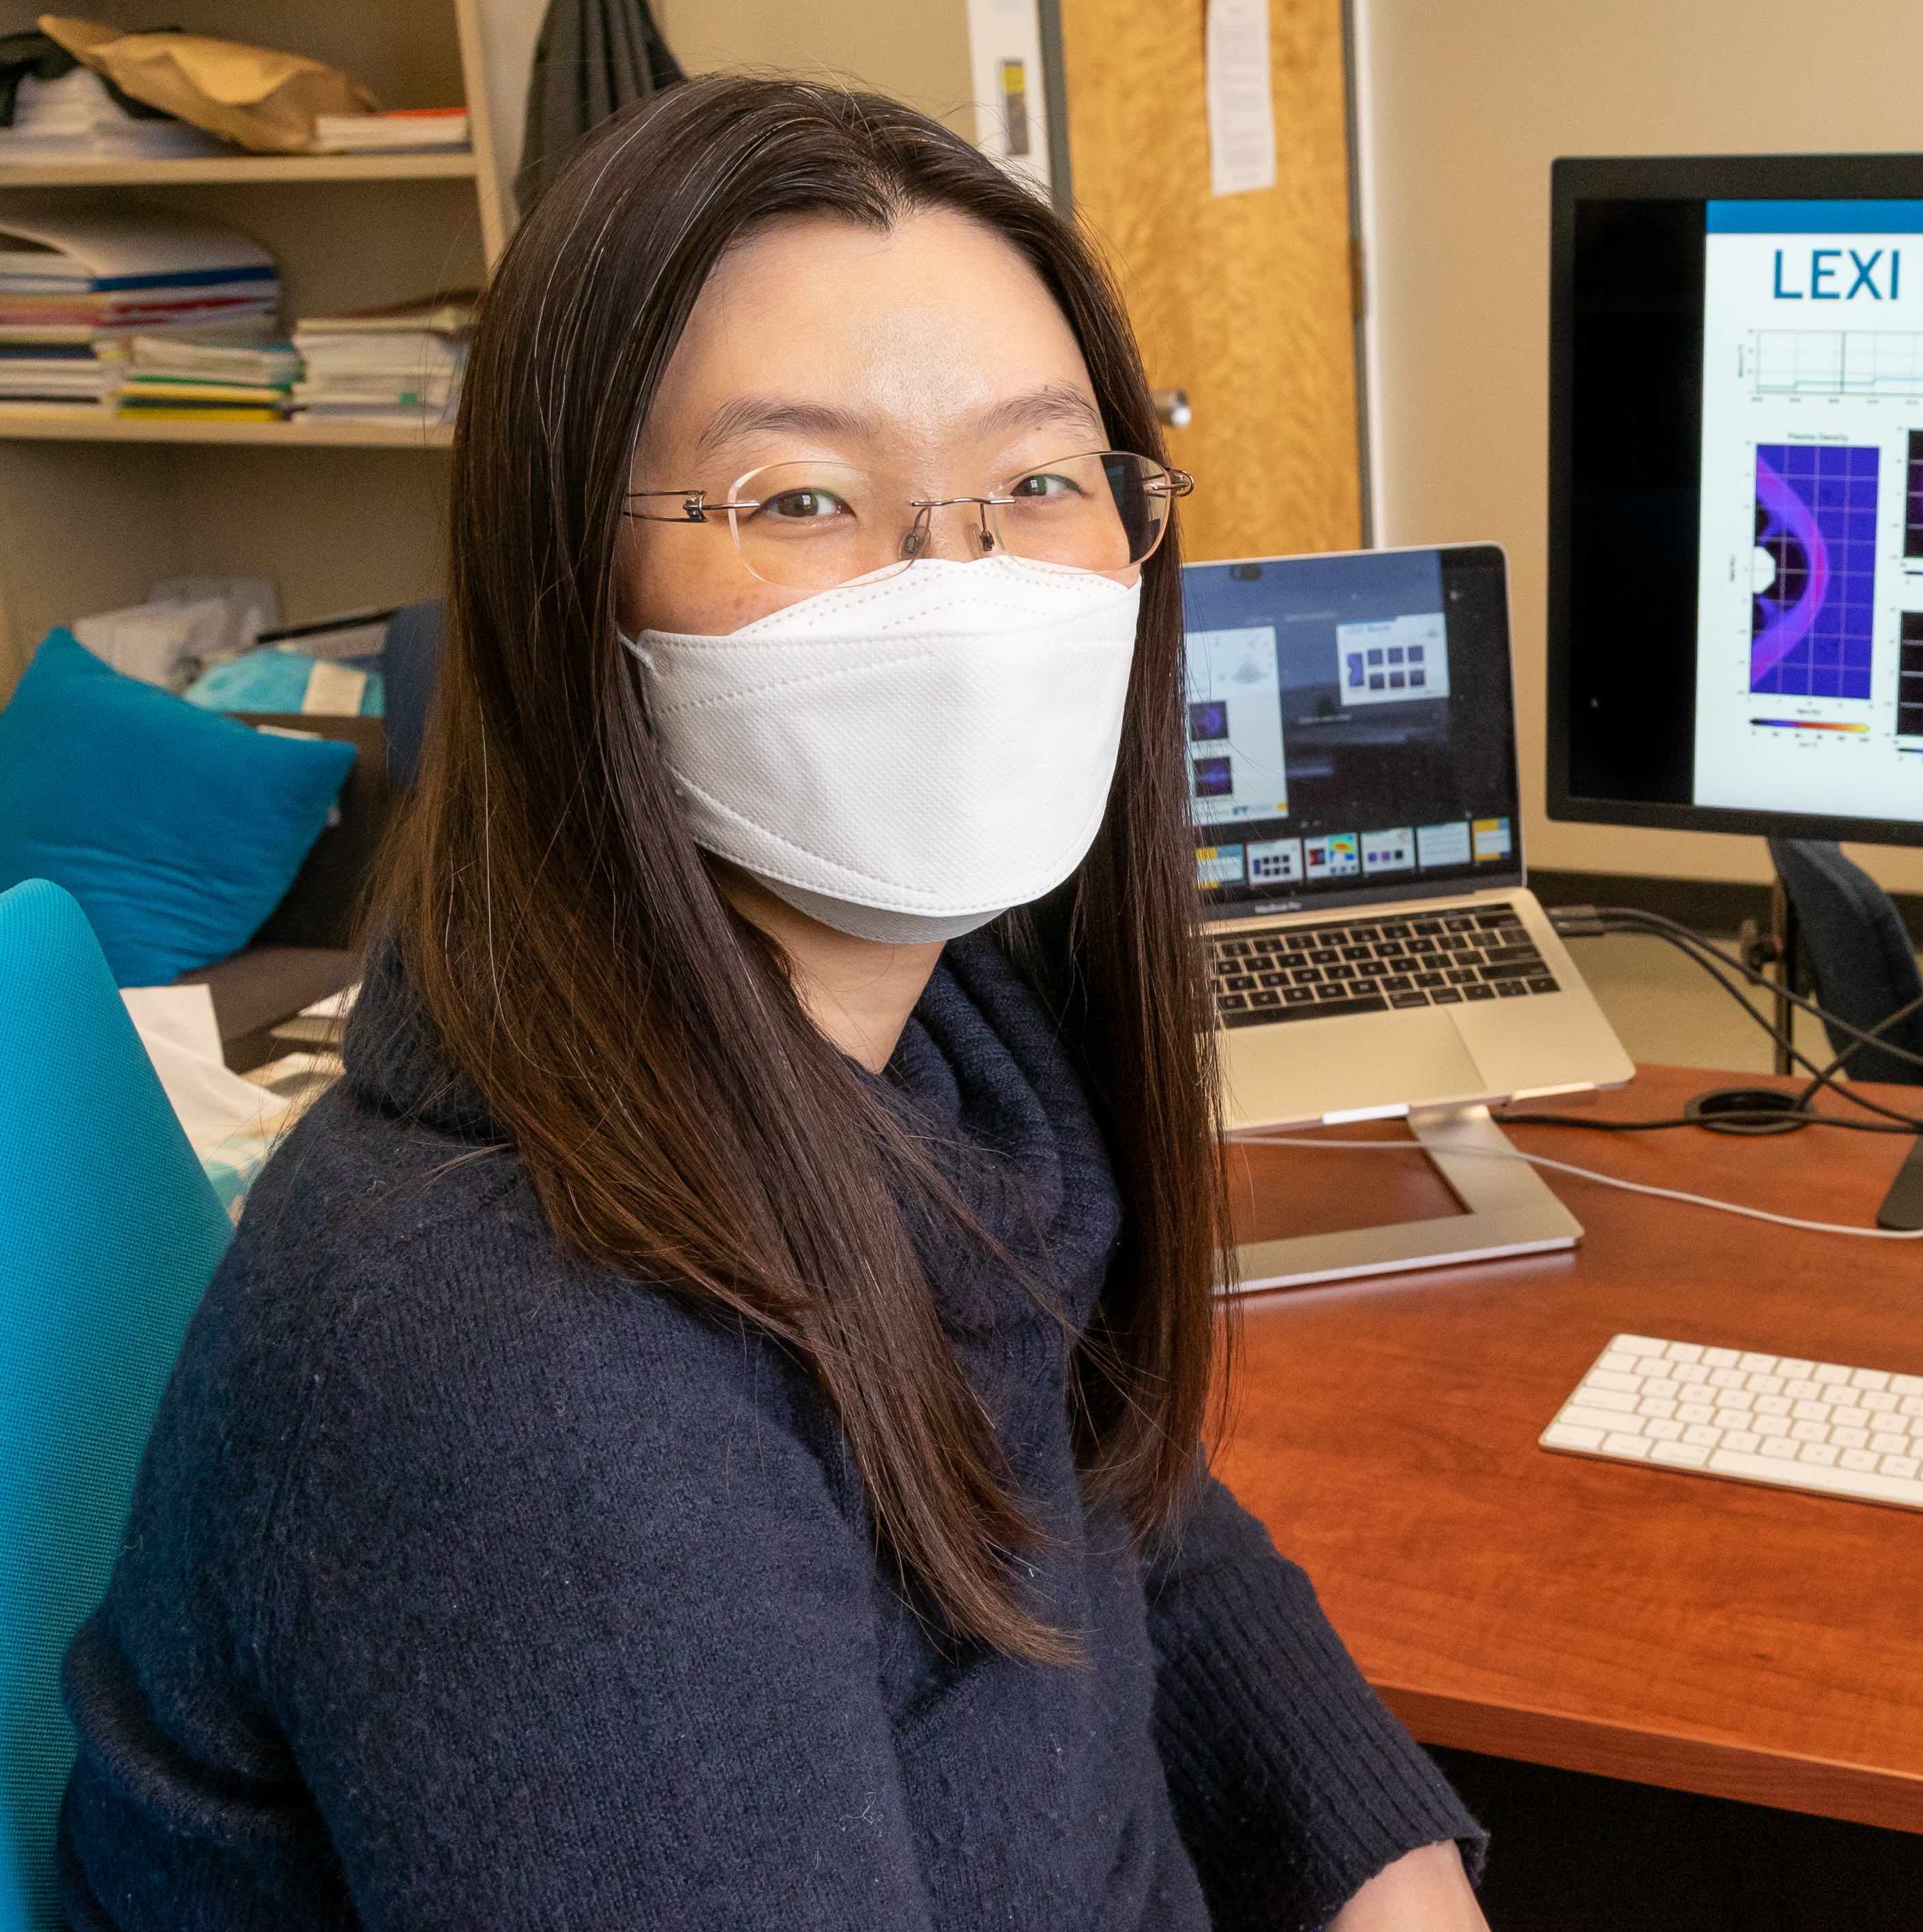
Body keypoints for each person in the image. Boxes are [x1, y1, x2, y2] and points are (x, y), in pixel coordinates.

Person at [60, 76, 1488, 1931]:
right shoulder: (519, 1380)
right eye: (800, 497)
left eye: (1041, 479)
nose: (957, 584)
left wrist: (1392, 1879)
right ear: (573, 585)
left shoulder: (963, 1040)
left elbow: (1133, 1522)